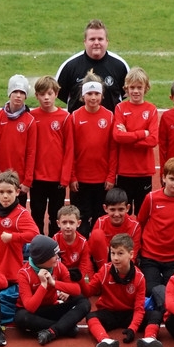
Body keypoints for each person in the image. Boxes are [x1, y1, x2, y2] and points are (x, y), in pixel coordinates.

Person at [14, 235, 90, 345]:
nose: (57, 257)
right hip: (34, 313)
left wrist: (53, 283)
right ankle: (65, 327)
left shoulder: (58, 266)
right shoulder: (24, 274)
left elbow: (76, 290)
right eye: (54, 255)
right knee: (21, 318)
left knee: (84, 302)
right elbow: (30, 307)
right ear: (42, 258)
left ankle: (54, 331)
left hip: (51, 308)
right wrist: (43, 285)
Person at [136, 157, 174, 294]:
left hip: (173, 258)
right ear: (163, 178)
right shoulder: (151, 198)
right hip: (150, 256)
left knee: (173, 291)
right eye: (172, 179)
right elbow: (140, 223)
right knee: (151, 290)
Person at [84, 234, 152, 347]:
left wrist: (132, 329)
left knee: (155, 315)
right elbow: (88, 292)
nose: (115, 258)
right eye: (113, 253)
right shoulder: (105, 270)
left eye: (120, 253)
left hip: (129, 314)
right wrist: (80, 281)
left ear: (131, 254)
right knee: (91, 316)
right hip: (109, 313)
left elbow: (139, 309)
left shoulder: (139, 277)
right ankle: (105, 340)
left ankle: (149, 339)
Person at [67, 76, 119, 235]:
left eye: (97, 94)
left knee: (100, 220)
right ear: (83, 96)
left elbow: (113, 149)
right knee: (81, 220)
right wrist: (72, 176)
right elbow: (71, 150)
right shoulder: (74, 117)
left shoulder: (110, 116)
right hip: (80, 180)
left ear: (102, 96)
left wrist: (111, 176)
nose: (93, 97)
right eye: (89, 94)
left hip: (102, 180)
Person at [56, 19, 129, 112]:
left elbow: (126, 93)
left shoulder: (120, 66)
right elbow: (58, 93)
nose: (96, 43)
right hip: (78, 121)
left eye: (100, 39)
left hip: (111, 121)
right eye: (92, 39)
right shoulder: (69, 66)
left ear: (107, 41)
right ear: (85, 42)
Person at [29, 75, 72, 235]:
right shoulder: (32, 116)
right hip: (37, 178)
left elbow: (69, 149)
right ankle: (37, 245)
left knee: (56, 216)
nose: (46, 98)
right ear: (37, 95)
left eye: (49, 93)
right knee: (36, 216)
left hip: (57, 179)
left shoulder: (65, 117)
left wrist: (65, 177)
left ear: (56, 94)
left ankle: (55, 245)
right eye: (42, 94)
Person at [112, 67, 158, 214]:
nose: (136, 91)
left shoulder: (151, 109)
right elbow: (118, 136)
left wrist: (128, 136)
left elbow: (153, 140)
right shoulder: (120, 108)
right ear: (126, 88)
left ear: (146, 88)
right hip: (124, 171)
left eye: (139, 87)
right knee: (122, 213)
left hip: (144, 171)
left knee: (143, 213)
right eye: (132, 87)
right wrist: (142, 133)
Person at [0, 171, 39, 283]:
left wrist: (12, 237)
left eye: (9, 192)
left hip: (12, 271)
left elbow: (35, 234)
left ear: (17, 192)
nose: (5, 196)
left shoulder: (22, 213)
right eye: (1, 192)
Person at [0, 75, 37, 207]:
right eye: (15, 92)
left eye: (22, 93)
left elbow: (31, 152)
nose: (18, 96)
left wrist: (27, 180)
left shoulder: (30, 121)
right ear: (9, 93)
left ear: (26, 96)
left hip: (19, 180)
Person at [86, 187, 141, 273]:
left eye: (121, 209)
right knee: (97, 234)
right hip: (103, 262)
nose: (116, 214)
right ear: (105, 208)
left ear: (127, 208)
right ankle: (104, 273)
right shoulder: (100, 222)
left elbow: (133, 255)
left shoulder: (135, 226)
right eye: (112, 209)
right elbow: (89, 251)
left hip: (124, 262)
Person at [53, 205, 89, 282]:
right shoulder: (55, 240)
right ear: (58, 223)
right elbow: (53, 264)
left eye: (71, 222)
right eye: (64, 222)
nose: (68, 226)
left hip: (76, 276)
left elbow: (84, 266)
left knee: (85, 288)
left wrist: (78, 278)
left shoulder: (83, 242)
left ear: (78, 223)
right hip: (60, 276)